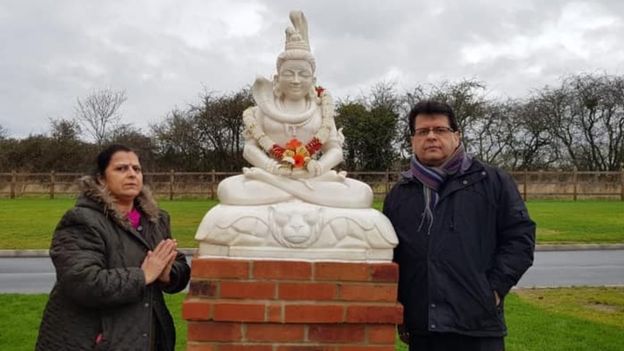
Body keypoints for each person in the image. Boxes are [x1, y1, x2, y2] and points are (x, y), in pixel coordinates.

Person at [383, 100, 535, 351]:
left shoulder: (492, 181)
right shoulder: (400, 193)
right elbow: (392, 255)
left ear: (457, 136)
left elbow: (520, 239)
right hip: (423, 329)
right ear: (413, 140)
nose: (431, 137)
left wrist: (493, 291)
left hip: (478, 327)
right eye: (423, 131)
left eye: (440, 130)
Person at [36, 144, 190, 351]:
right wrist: (142, 276)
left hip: (147, 335)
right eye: (121, 169)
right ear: (101, 178)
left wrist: (168, 274)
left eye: (137, 169)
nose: (131, 174)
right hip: (95, 338)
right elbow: (82, 282)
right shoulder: (82, 220)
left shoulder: (156, 220)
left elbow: (178, 263)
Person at [217, 10, 372, 208]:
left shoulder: (321, 110)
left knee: (363, 194)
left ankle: (292, 195)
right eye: (289, 73)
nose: (296, 80)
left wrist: (319, 166)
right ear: (276, 78)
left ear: (313, 81)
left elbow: (335, 150)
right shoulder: (263, 109)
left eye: (303, 74)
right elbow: (250, 148)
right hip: (271, 177)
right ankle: (300, 196)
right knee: (228, 189)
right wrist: (271, 167)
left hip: (314, 179)